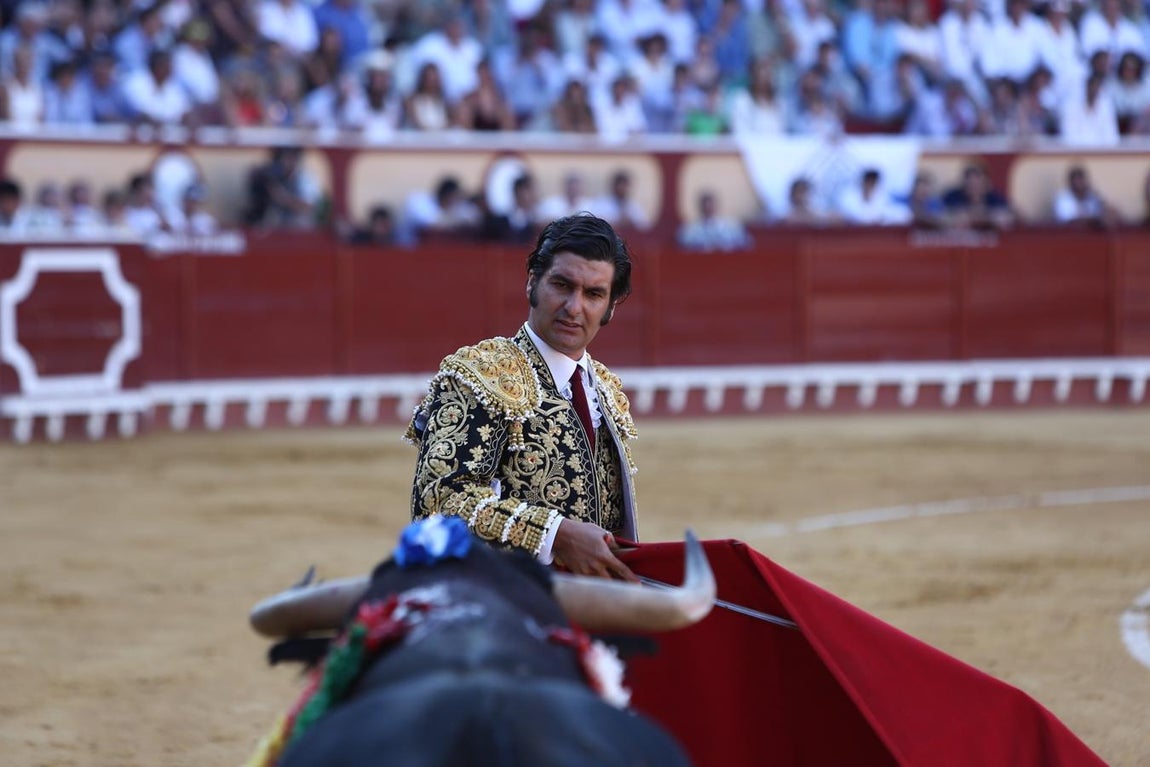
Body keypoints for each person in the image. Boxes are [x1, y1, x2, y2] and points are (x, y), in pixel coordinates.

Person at [407, 213, 640, 581]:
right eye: (562, 285)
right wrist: (555, 535)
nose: (574, 307)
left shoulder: (606, 391)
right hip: (504, 611)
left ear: (610, 307)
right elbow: (439, 502)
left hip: (596, 611)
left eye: (593, 294)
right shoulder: (480, 375)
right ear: (532, 283)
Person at [678, 189, 751, 251]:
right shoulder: (690, 229)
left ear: (716, 206)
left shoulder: (731, 226)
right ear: (700, 207)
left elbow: (745, 242)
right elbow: (684, 244)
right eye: (706, 206)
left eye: (711, 206)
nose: (709, 209)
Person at [1052, 165, 1122, 229]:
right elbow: (1065, 220)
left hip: (1092, 234)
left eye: (1081, 180)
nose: (1079, 184)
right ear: (1070, 182)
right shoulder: (1062, 198)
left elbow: (1101, 215)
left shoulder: (1093, 196)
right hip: (1069, 234)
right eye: (1076, 181)